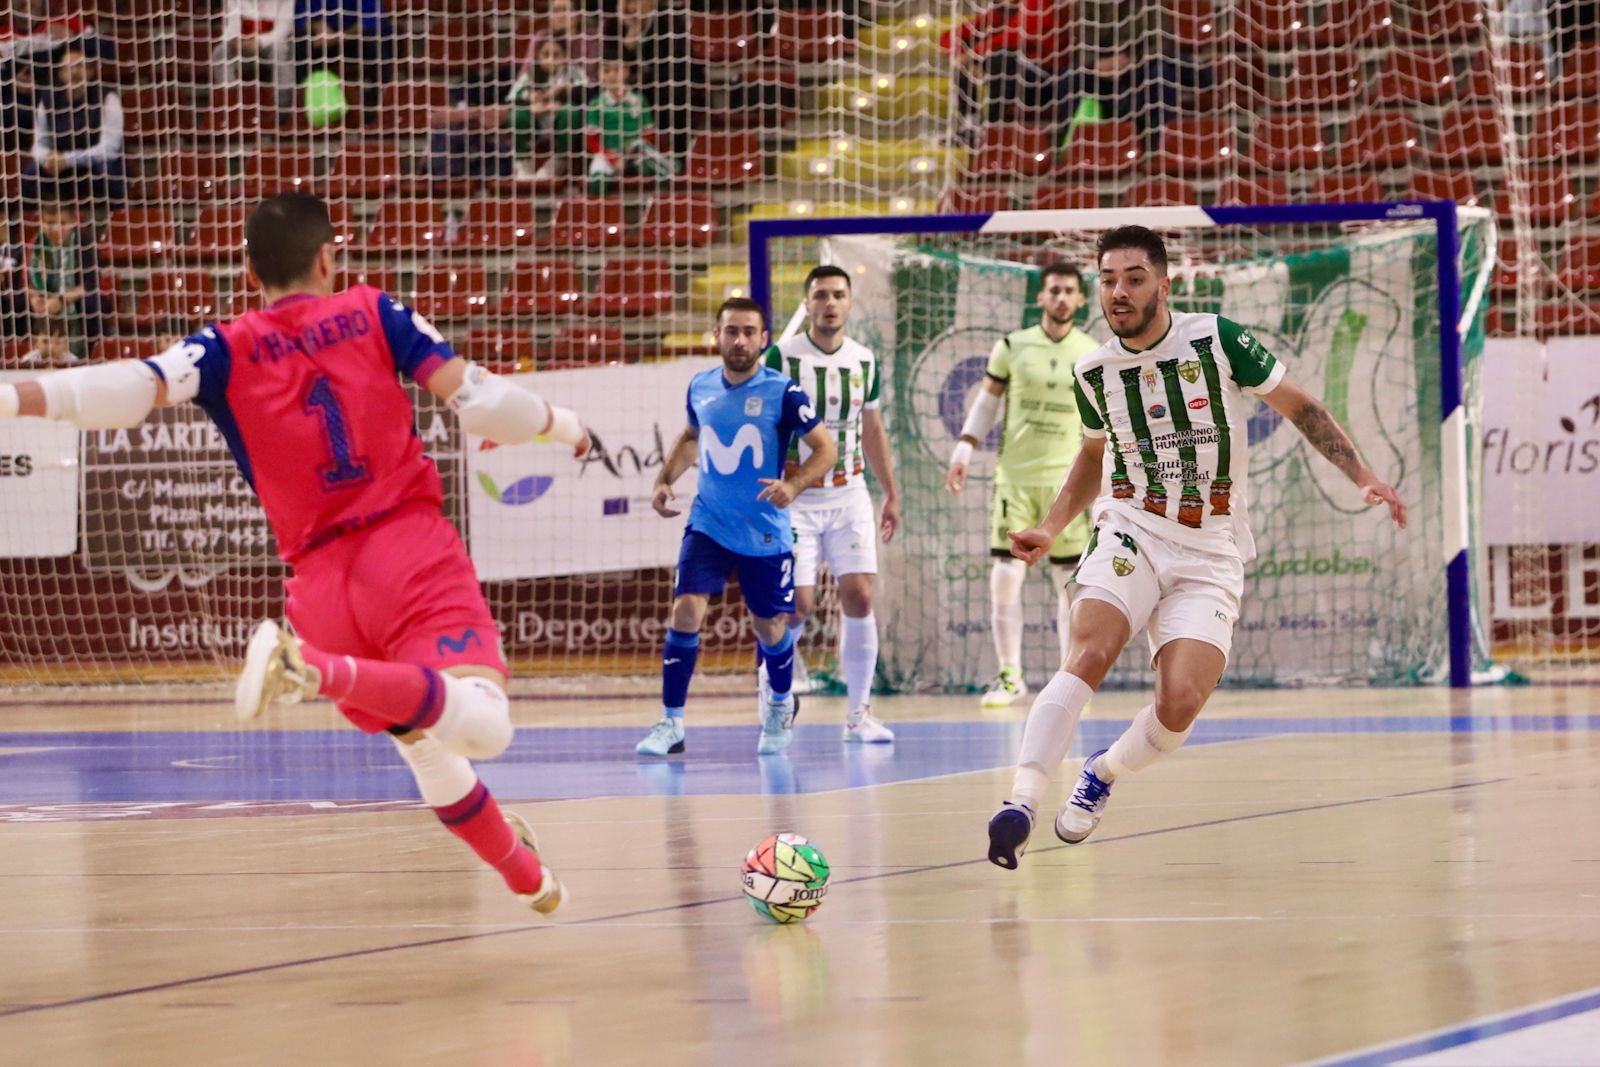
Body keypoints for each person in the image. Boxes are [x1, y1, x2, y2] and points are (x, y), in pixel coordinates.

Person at [0, 191, 593, 915]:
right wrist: (567, 426)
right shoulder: (375, 311)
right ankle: (310, 667)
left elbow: (131, 387)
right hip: (406, 549)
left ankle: (528, 877)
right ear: (328, 256)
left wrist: (14, 396)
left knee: (425, 746)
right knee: (486, 722)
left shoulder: (222, 346)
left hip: (317, 584)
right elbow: (482, 403)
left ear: (249, 269)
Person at [985, 226, 1406, 869]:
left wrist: (1365, 476)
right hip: (1132, 525)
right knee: (1090, 650)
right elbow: (1094, 456)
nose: (1117, 292)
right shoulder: (1093, 370)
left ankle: (1103, 772)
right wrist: (1050, 524)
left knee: (1178, 704)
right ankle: (1019, 801)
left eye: (1132, 278)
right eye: (1108, 280)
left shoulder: (1218, 339)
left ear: (1163, 282)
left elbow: (1301, 407)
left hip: (1211, 545)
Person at [637, 298, 838, 758]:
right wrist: (665, 481)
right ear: (717, 335)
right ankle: (671, 723)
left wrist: (795, 484)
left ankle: (780, 704)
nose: (740, 340)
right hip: (708, 521)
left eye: (749, 331)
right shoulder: (701, 386)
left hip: (763, 529)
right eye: (732, 331)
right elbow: (692, 438)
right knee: (686, 610)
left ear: (764, 340)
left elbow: (824, 450)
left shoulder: (783, 392)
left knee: (769, 626)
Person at [947, 262, 1099, 709]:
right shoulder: (1013, 346)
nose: (1060, 298)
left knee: (1068, 585)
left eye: (1069, 291)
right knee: (1005, 579)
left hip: (1067, 484)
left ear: (1080, 299)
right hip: (1015, 480)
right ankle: (1010, 675)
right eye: (1053, 290)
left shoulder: (1091, 351)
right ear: (1041, 297)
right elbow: (987, 403)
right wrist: (964, 449)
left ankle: (1066, 678)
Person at [760, 265, 899, 743]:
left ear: (850, 304)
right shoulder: (781, 356)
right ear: (808, 304)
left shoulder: (864, 360)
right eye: (821, 295)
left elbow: (873, 430)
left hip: (850, 493)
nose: (830, 303)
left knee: (859, 595)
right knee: (796, 606)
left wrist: (890, 492)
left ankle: (859, 715)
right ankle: (774, 697)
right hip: (796, 495)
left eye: (839, 295)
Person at [22, 46, 123, 209]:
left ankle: (116, 223)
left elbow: (109, 148)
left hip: (94, 165)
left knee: (108, 171)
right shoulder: (48, 100)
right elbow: (38, 144)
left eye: (80, 66)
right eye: (69, 67)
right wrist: (48, 158)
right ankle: (35, 226)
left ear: (90, 72)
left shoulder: (107, 97)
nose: (74, 72)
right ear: (61, 74)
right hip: (60, 167)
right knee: (30, 174)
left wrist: (68, 160)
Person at [24, 189, 109, 362]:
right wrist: (35, 299)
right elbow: (28, 281)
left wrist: (61, 300)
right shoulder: (36, 243)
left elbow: (89, 285)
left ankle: (91, 354)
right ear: (41, 221)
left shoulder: (84, 242)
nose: (55, 229)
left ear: (72, 222)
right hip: (45, 300)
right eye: (49, 223)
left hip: (73, 300)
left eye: (62, 223)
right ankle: (25, 354)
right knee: (17, 303)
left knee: (94, 303)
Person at [582, 54, 673, 194]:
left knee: (655, 171)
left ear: (626, 71)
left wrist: (633, 150)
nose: (612, 75)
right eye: (606, 71)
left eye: (617, 70)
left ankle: (654, 211)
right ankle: (602, 213)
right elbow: (591, 140)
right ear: (600, 75)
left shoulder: (639, 100)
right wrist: (613, 158)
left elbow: (649, 132)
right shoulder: (596, 104)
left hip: (636, 152)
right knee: (597, 181)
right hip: (608, 153)